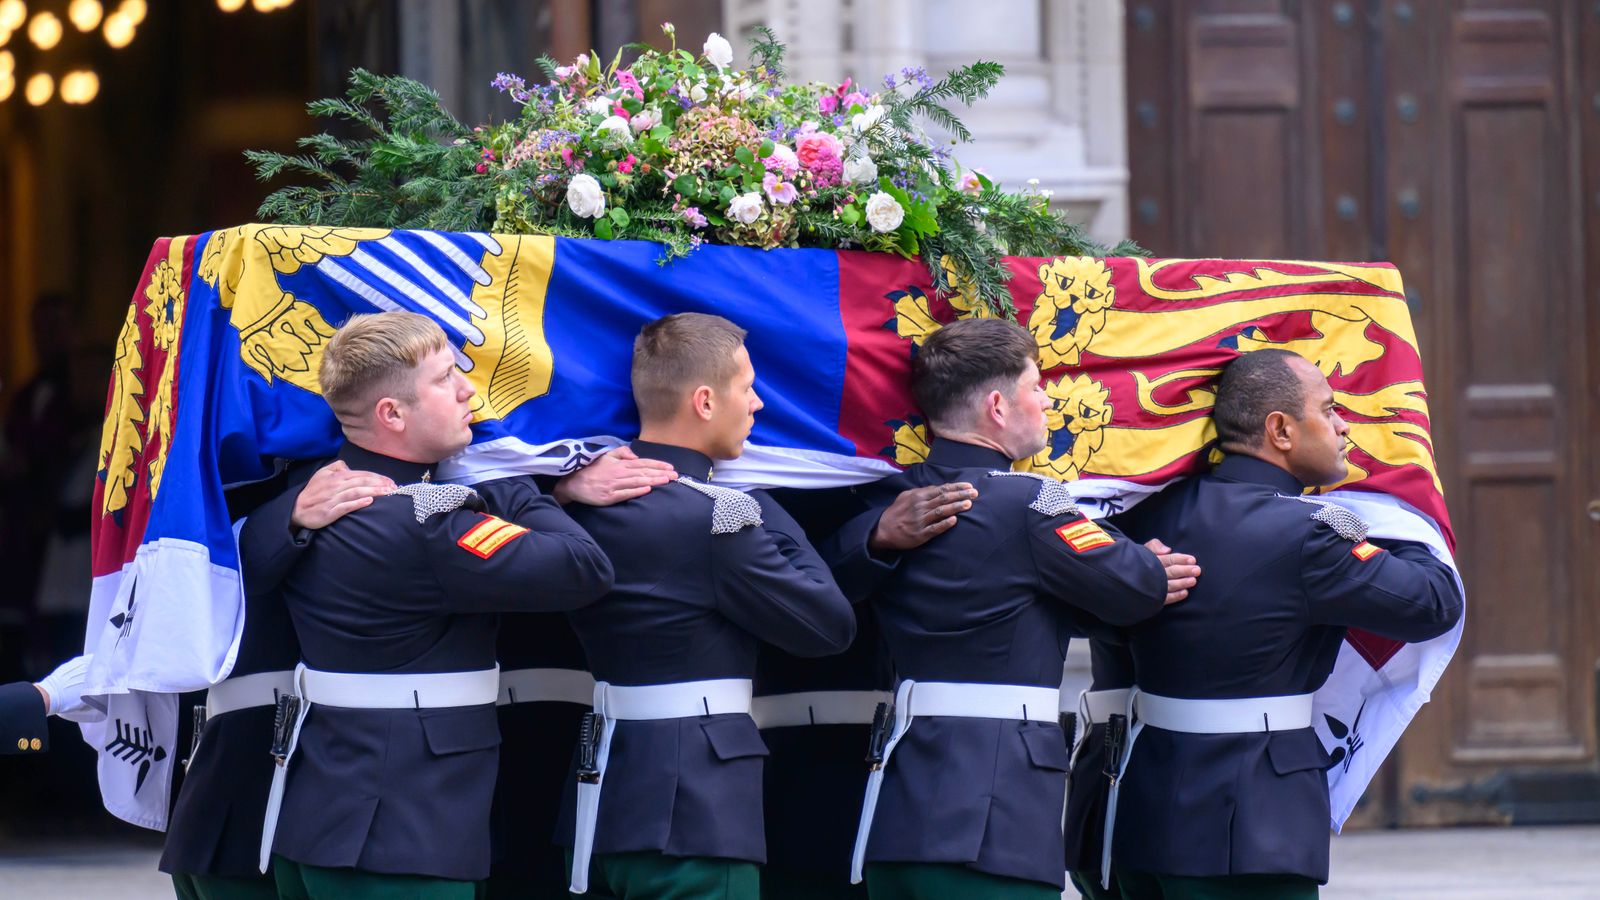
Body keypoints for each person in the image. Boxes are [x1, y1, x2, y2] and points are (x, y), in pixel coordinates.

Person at [244, 311, 615, 900]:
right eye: (445, 378)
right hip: (403, 836)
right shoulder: (429, 522)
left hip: (320, 819)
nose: (469, 390)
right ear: (392, 414)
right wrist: (517, 480)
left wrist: (285, 514)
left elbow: (249, 553)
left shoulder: (308, 499)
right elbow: (585, 568)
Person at [840, 318, 1196, 899]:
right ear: (998, 407)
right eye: (1036, 386)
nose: (1048, 400)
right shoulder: (1030, 503)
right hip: (994, 816)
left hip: (897, 807)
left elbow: (830, 576)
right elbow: (1133, 589)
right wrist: (1146, 564)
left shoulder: (887, 500)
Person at [1107, 348, 1463, 899]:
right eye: (1329, 409)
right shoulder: (1311, 534)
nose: (1345, 427)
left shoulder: (1144, 512)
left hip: (1144, 811)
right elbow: (1434, 602)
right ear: (1280, 430)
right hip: (1251, 826)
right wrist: (1395, 502)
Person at [557, 312, 857, 900]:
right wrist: (761, 499)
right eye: (747, 388)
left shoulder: (578, 505)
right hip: (695, 811)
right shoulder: (721, 517)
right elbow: (829, 625)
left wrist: (559, 489)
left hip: (596, 798)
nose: (758, 405)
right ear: (704, 401)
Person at [754, 480, 976, 900]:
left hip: (911, 756)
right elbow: (792, 593)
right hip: (791, 758)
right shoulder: (760, 482)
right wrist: (872, 537)